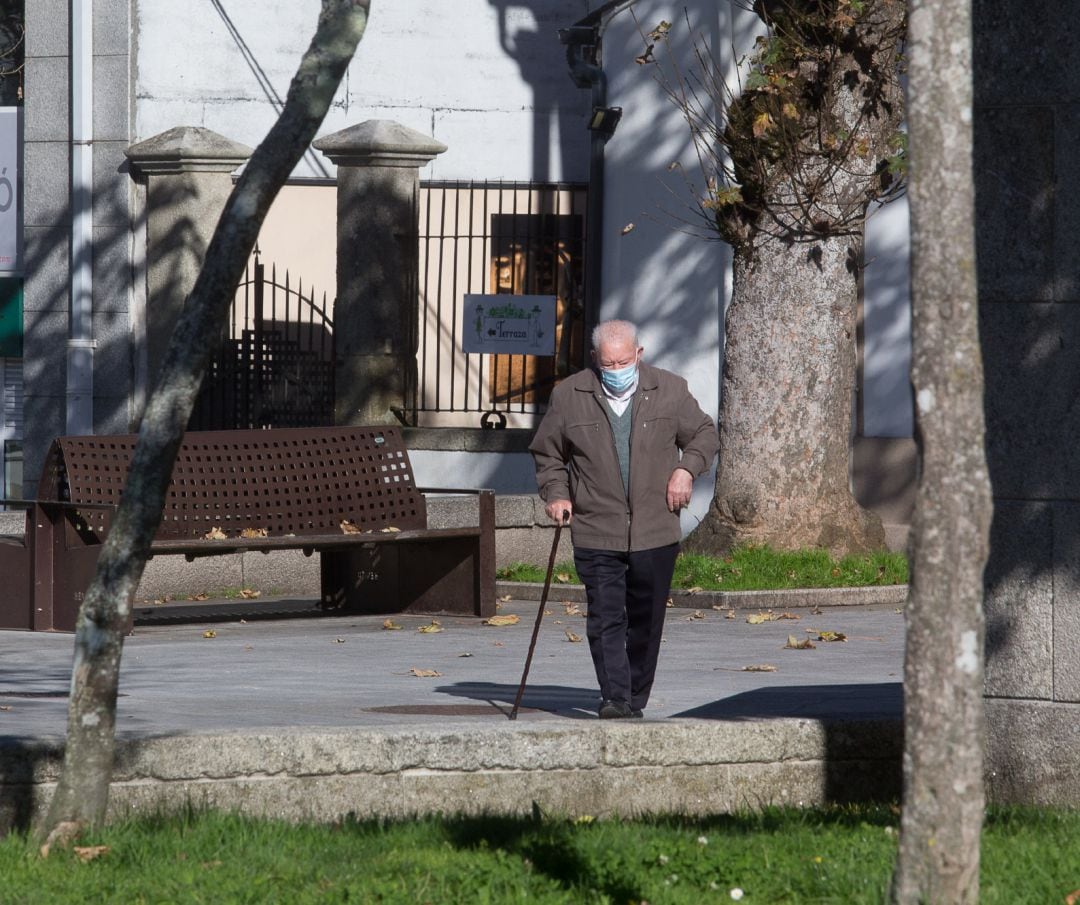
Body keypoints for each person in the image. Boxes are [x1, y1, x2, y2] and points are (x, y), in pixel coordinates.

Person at [530, 319, 718, 718]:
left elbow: (704, 434)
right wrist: (557, 495)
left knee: (647, 621)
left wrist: (686, 470)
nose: (616, 371)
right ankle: (615, 697)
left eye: (623, 362)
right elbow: (548, 454)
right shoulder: (570, 395)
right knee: (606, 617)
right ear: (596, 359)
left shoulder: (669, 389)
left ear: (639, 354)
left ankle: (634, 694)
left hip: (655, 527)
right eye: (608, 364)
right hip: (596, 528)